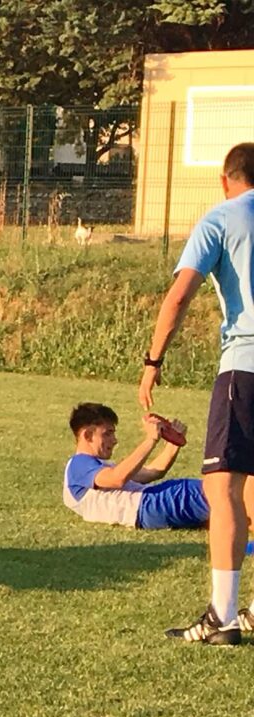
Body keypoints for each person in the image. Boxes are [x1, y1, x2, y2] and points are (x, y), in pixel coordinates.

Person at [140, 142, 254, 645]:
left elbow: (180, 293)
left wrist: (153, 361)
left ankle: (222, 615)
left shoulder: (222, 217)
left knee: (223, 487)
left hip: (245, 366)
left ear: (225, 180)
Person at [63, 402, 206, 529]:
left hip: (152, 505)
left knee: (213, 494)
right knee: (214, 490)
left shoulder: (97, 468)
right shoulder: (79, 464)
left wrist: (174, 442)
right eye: (108, 434)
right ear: (88, 435)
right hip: (149, 504)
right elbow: (117, 479)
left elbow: (154, 472)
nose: (114, 440)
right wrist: (150, 439)